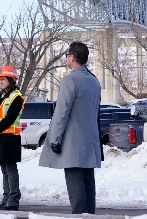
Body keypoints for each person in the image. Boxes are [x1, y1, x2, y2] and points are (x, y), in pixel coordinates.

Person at [39, 41, 102, 214]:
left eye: (66, 55)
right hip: (90, 141)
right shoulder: (94, 81)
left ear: (72, 57)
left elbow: (61, 112)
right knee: (88, 183)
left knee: (75, 187)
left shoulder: (70, 80)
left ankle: (79, 217)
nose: (66, 59)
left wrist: (55, 138)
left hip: (73, 143)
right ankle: (90, 217)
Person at [0, 66, 25, 211]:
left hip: (11, 137)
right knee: (4, 169)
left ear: (11, 79)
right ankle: (6, 198)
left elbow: (10, 118)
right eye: (0, 79)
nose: (1, 81)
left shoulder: (17, 97)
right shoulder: (1, 97)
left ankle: (13, 199)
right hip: (2, 137)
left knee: (10, 168)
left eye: (3, 79)